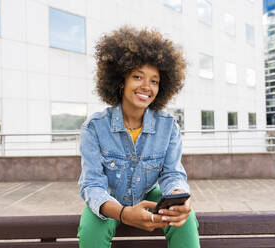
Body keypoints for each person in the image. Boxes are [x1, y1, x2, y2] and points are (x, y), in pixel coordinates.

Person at [77, 26, 200, 248]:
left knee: (185, 219)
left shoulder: (169, 126)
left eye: (154, 80)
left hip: (148, 195)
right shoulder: (94, 127)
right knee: (90, 230)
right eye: (137, 76)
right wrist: (123, 213)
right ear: (121, 80)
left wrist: (181, 197)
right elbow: (92, 184)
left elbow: (172, 174)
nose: (146, 86)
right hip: (108, 200)